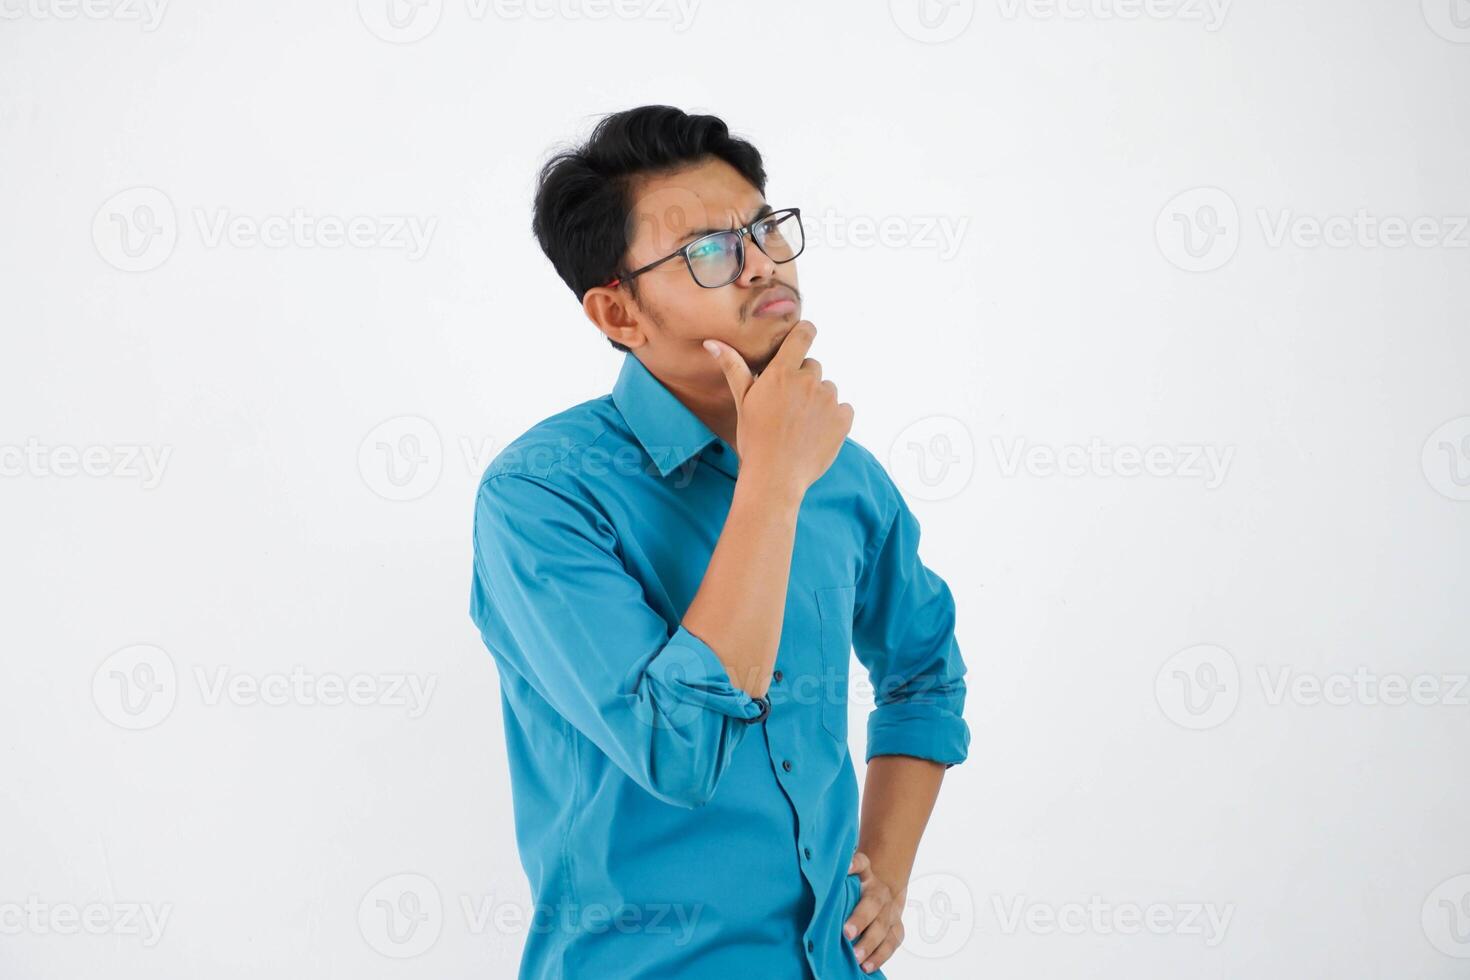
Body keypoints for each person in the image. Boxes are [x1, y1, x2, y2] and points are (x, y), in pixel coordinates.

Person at [468, 104, 970, 980]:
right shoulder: (541, 496)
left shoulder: (844, 475)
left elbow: (925, 669)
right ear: (619, 313)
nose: (762, 264)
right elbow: (678, 749)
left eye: (764, 228)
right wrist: (772, 483)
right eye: (709, 250)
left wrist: (884, 869)